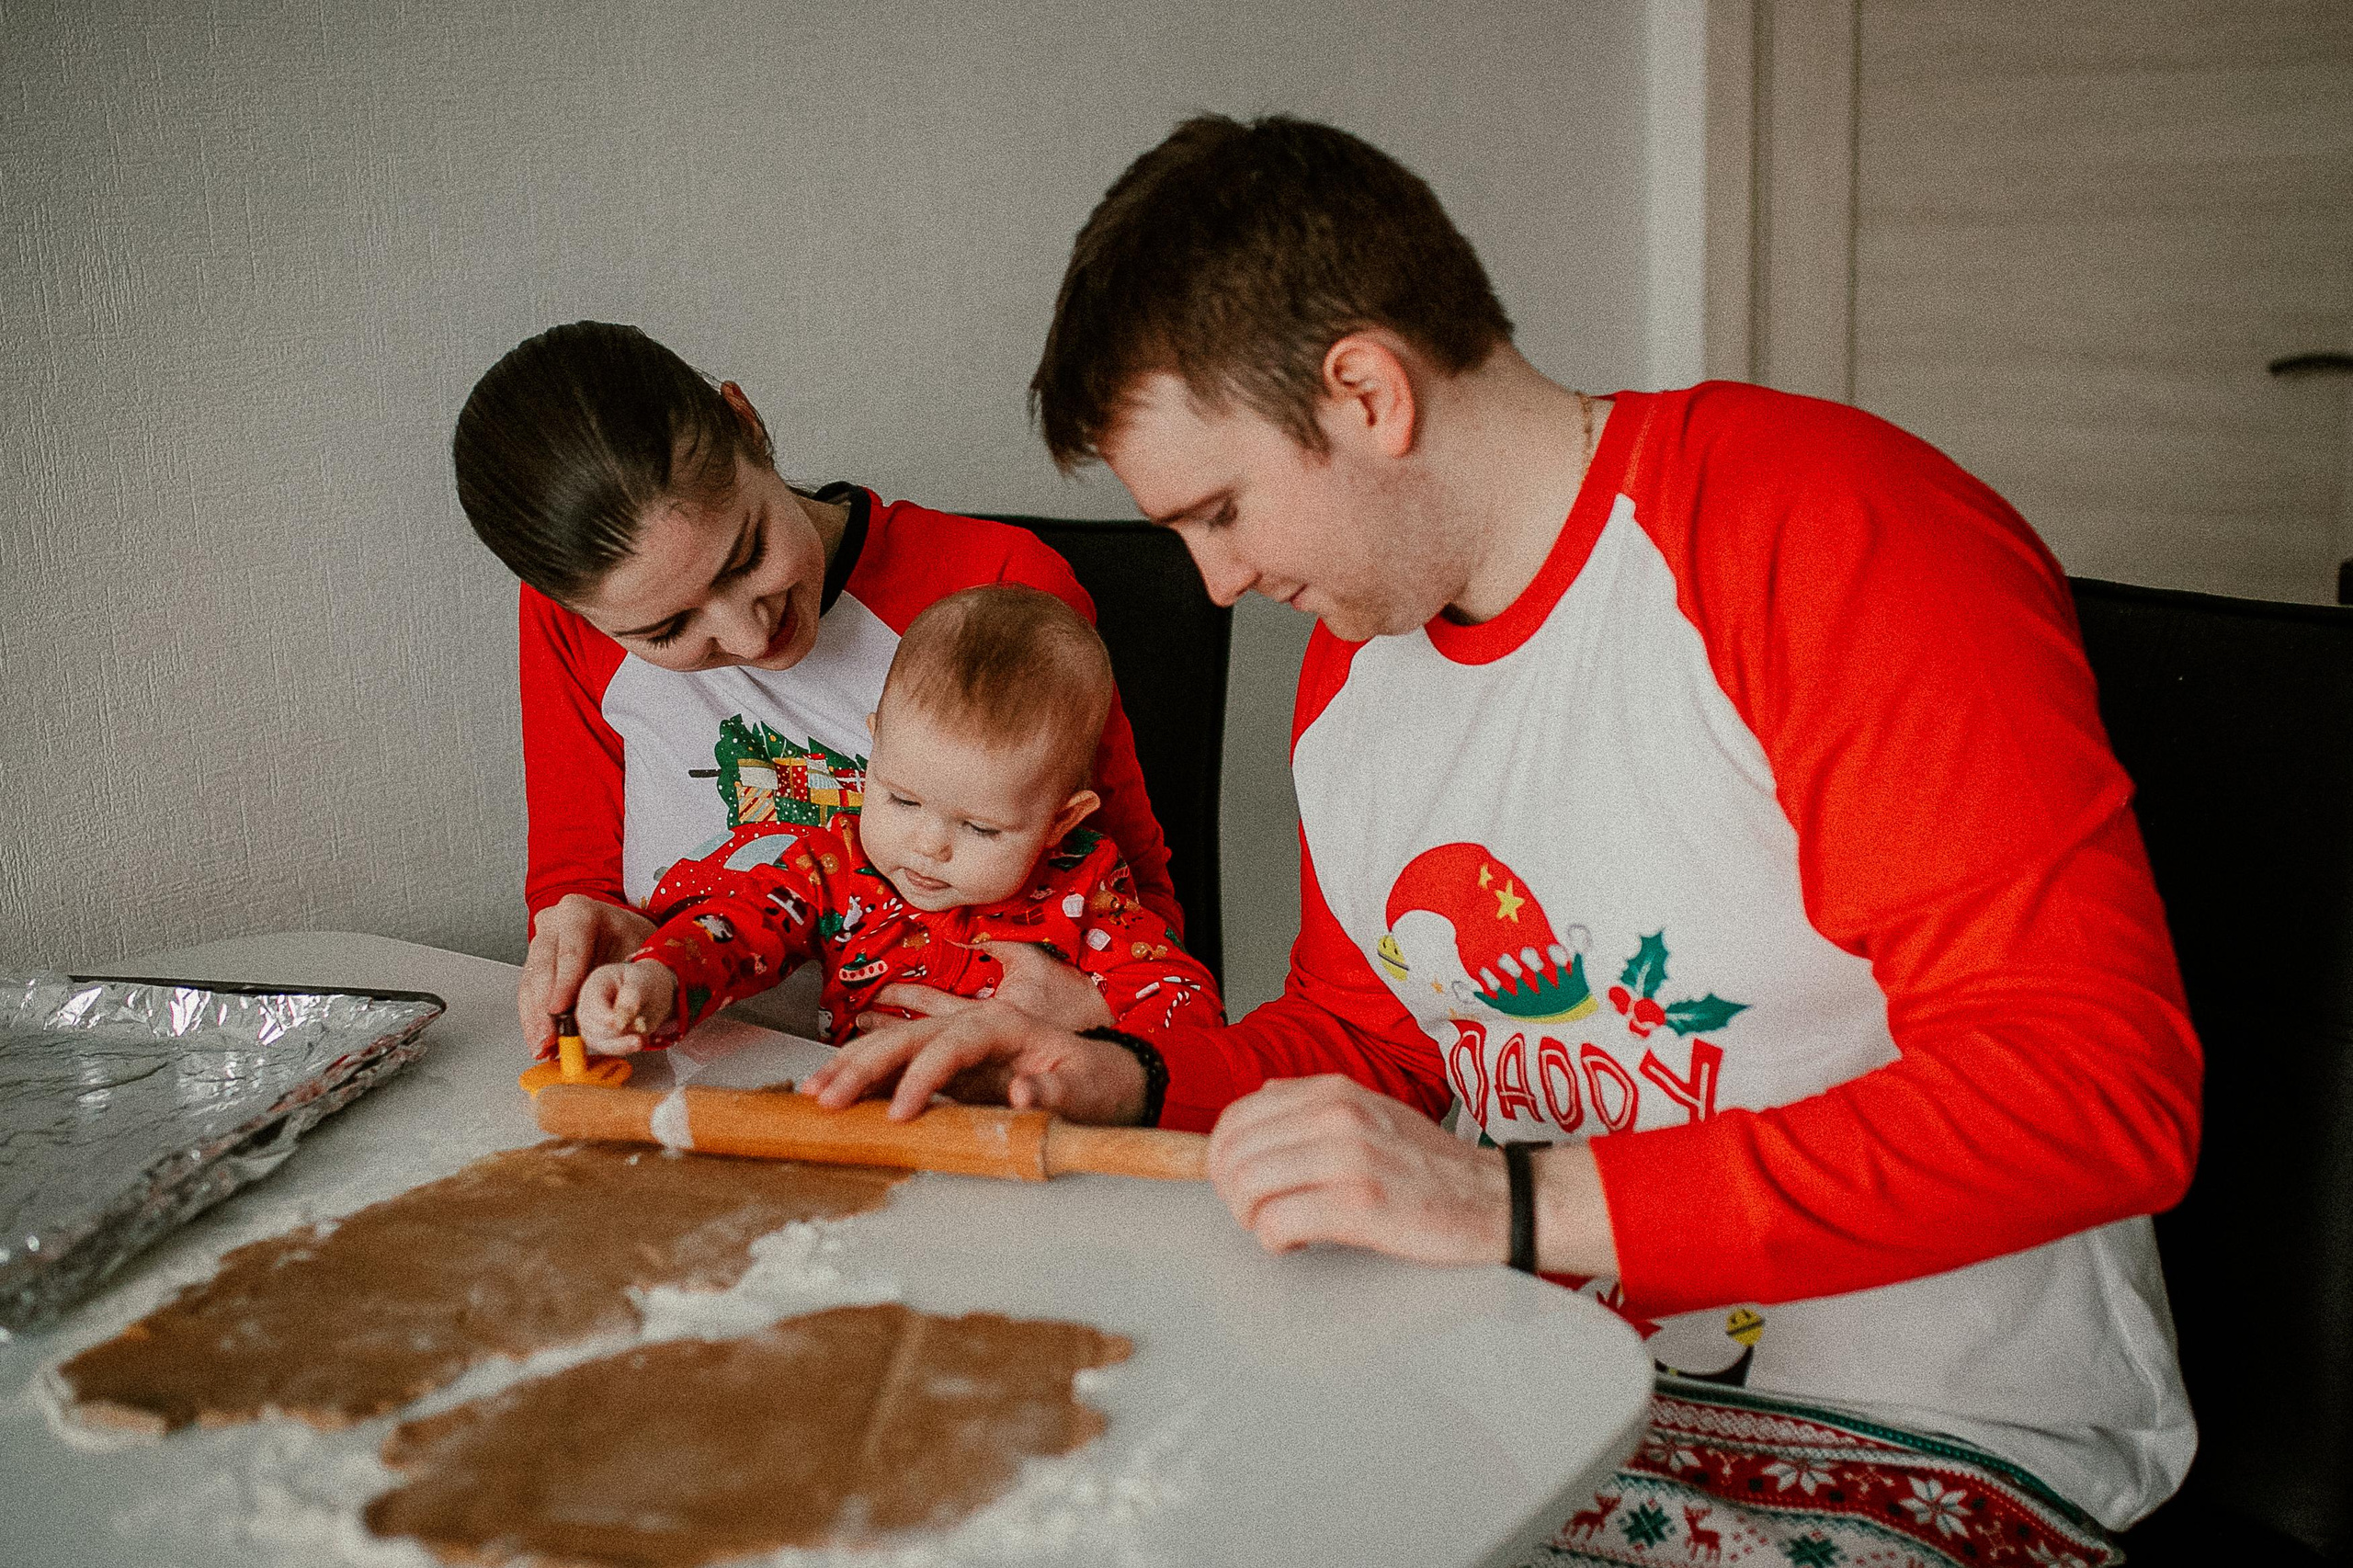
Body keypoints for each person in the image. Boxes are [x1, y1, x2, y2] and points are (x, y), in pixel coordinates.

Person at [804, 115, 2200, 1564]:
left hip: (1917, 1425)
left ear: (1364, 392)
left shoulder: (1827, 530)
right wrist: (1129, 1075)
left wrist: (1506, 1199)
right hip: (1528, 1355)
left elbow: (2093, 1090)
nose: (1214, 586)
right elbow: (1383, 1038)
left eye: (1221, 511)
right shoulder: (1363, 656)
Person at [453, 322, 1184, 1057]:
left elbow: (1127, 898)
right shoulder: (564, 624)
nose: (748, 640)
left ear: (747, 425)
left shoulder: (994, 588)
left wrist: (1087, 1017)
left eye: (746, 556)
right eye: (666, 630)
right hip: (693, 1075)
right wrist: (592, 947)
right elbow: (577, 878)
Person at [572, 585, 1221, 1061]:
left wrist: (1092, 1012)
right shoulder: (835, 863)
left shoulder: (1086, 888)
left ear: (1059, 822)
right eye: (902, 800)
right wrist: (654, 980)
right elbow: (736, 932)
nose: (928, 845)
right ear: (875, 748)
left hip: (1022, 1139)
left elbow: (1189, 1004)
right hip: (867, 1124)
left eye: (982, 830)